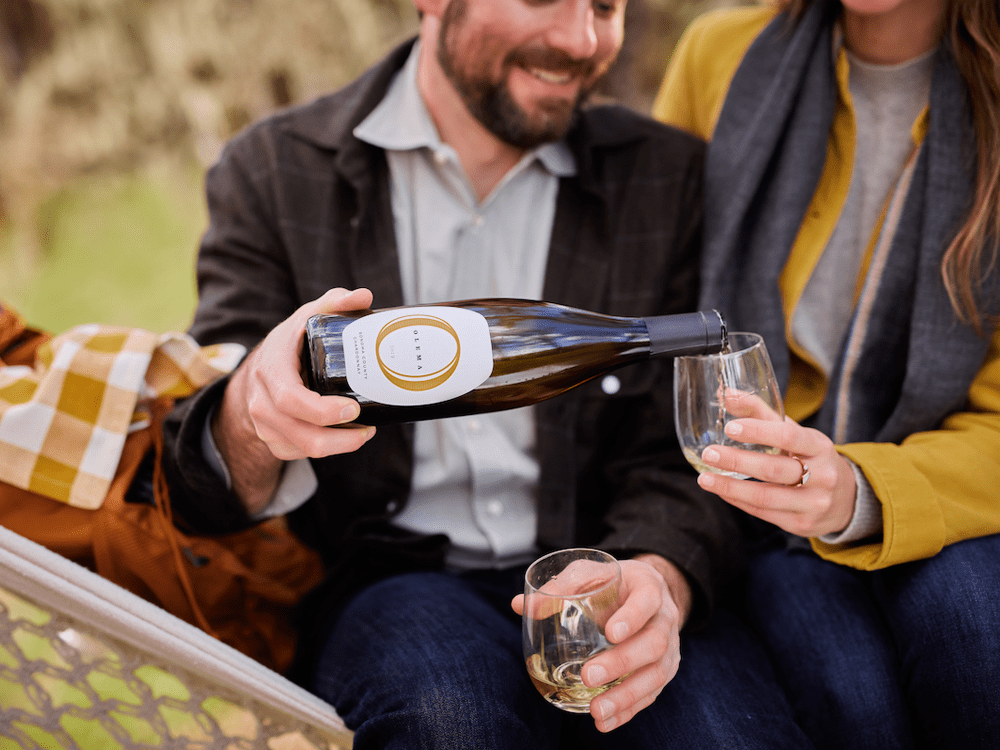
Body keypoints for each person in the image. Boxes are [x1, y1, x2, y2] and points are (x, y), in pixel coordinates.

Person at [160, 0, 822, 747]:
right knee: (452, 720)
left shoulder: (667, 177)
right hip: (394, 584)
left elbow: (683, 449)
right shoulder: (275, 172)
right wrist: (252, 410)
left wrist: (657, 578)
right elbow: (196, 479)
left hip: (609, 560)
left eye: (606, 6)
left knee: (728, 737)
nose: (581, 39)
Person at [654, 1, 1000, 748]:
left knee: (977, 638)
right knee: (853, 696)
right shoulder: (720, 53)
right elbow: (655, 290)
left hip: (946, 489)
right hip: (741, 494)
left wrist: (854, 490)